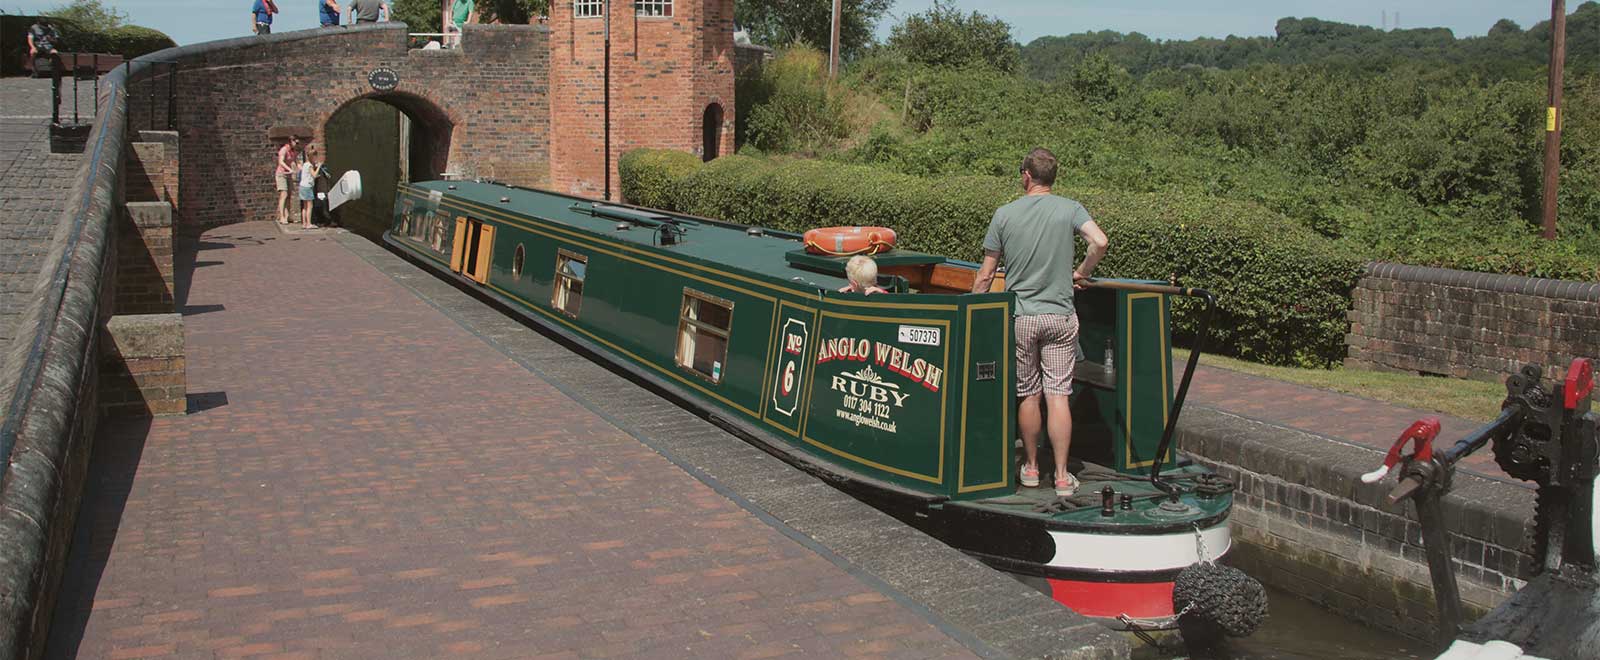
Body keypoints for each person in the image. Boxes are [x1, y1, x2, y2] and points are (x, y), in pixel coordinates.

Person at [971, 147, 1108, 497]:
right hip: (1060, 316)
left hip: (1022, 318)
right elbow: (1100, 241)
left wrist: (972, 311)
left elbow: (986, 275)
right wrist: (1082, 272)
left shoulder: (1004, 214)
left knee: (1028, 395)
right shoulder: (1071, 208)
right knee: (1058, 395)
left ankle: (1030, 468)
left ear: (1027, 176)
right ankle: (1062, 476)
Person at [27, 17, 64, 122]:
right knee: (33, 53)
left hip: (47, 45)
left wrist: (50, 39)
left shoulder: (51, 29)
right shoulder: (33, 28)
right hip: (37, 44)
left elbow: (56, 40)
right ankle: (33, 70)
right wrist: (32, 47)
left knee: (54, 53)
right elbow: (30, 38)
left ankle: (53, 69)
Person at [275, 135, 302, 224]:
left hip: (288, 175)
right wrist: (289, 169)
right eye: (296, 142)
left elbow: (295, 162)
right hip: (281, 174)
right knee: (284, 194)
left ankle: (287, 216)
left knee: (289, 195)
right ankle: (282, 217)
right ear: (291, 141)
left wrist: (302, 168)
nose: (297, 144)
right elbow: (281, 162)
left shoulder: (292, 152)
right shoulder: (284, 149)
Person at [298, 145, 325, 229]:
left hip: (302, 186)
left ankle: (304, 223)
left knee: (304, 206)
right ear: (312, 156)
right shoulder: (309, 165)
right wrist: (319, 166)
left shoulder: (305, 164)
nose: (316, 158)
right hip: (307, 187)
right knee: (310, 206)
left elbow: (308, 175)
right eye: (315, 157)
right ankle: (309, 223)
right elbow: (314, 175)